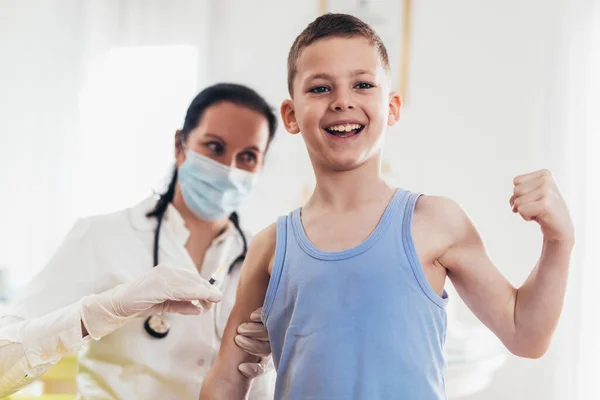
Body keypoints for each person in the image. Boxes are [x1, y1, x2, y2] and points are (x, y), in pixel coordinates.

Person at [199, 14, 575, 400]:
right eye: (320, 88)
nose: (342, 101)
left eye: (363, 84)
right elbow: (227, 379)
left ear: (392, 107)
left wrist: (558, 239)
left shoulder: (435, 222)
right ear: (292, 115)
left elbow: (525, 334)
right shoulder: (271, 247)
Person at [0, 83, 279, 399]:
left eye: (248, 156)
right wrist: (99, 312)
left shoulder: (268, 260)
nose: (229, 171)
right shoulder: (101, 236)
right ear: (180, 145)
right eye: (214, 147)